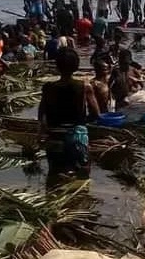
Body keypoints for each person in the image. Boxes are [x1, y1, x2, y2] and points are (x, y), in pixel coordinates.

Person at [39, 47, 100, 185]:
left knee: (54, 175)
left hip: (54, 137)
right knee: (82, 176)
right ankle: (77, 203)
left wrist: (41, 132)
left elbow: (42, 115)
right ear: (76, 66)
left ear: (57, 66)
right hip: (76, 138)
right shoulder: (84, 87)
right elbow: (96, 114)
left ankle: (52, 203)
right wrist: (84, 122)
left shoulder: (48, 87)